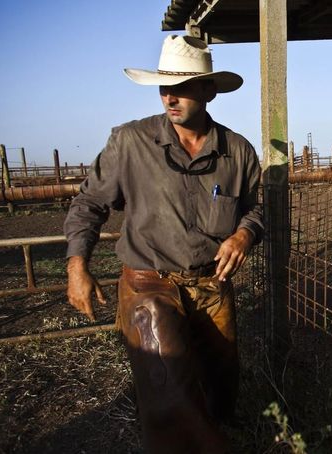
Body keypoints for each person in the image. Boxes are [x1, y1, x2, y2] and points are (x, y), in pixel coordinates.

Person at [64, 34, 263, 453]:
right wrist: (77, 267)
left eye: (183, 86)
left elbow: (256, 209)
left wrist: (244, 233)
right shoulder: (130, 143)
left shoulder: (238, 152)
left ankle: (208, 423)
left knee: (220, 384)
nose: (170, 97)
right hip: (148, 282)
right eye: (163, 87)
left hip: (211, 285)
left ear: (209, 90)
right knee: (167, 378)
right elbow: (89, 204)